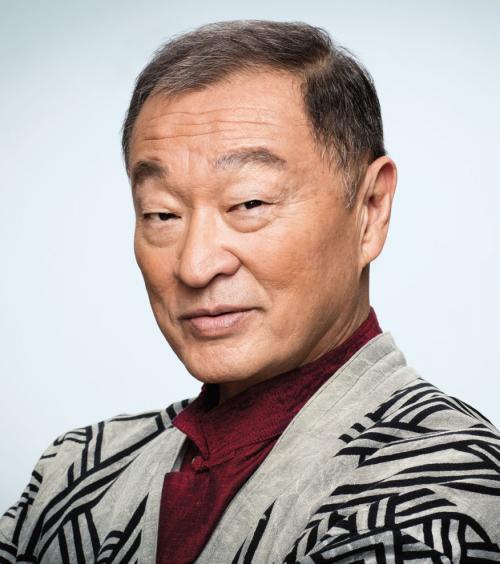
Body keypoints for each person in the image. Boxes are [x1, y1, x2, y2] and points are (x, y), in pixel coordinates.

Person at [1, 19, 499, 564]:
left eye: (249, 203)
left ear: (370, 210)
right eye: (161, 213)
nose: (195, 266)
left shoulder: (443, 484)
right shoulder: (76, 472)